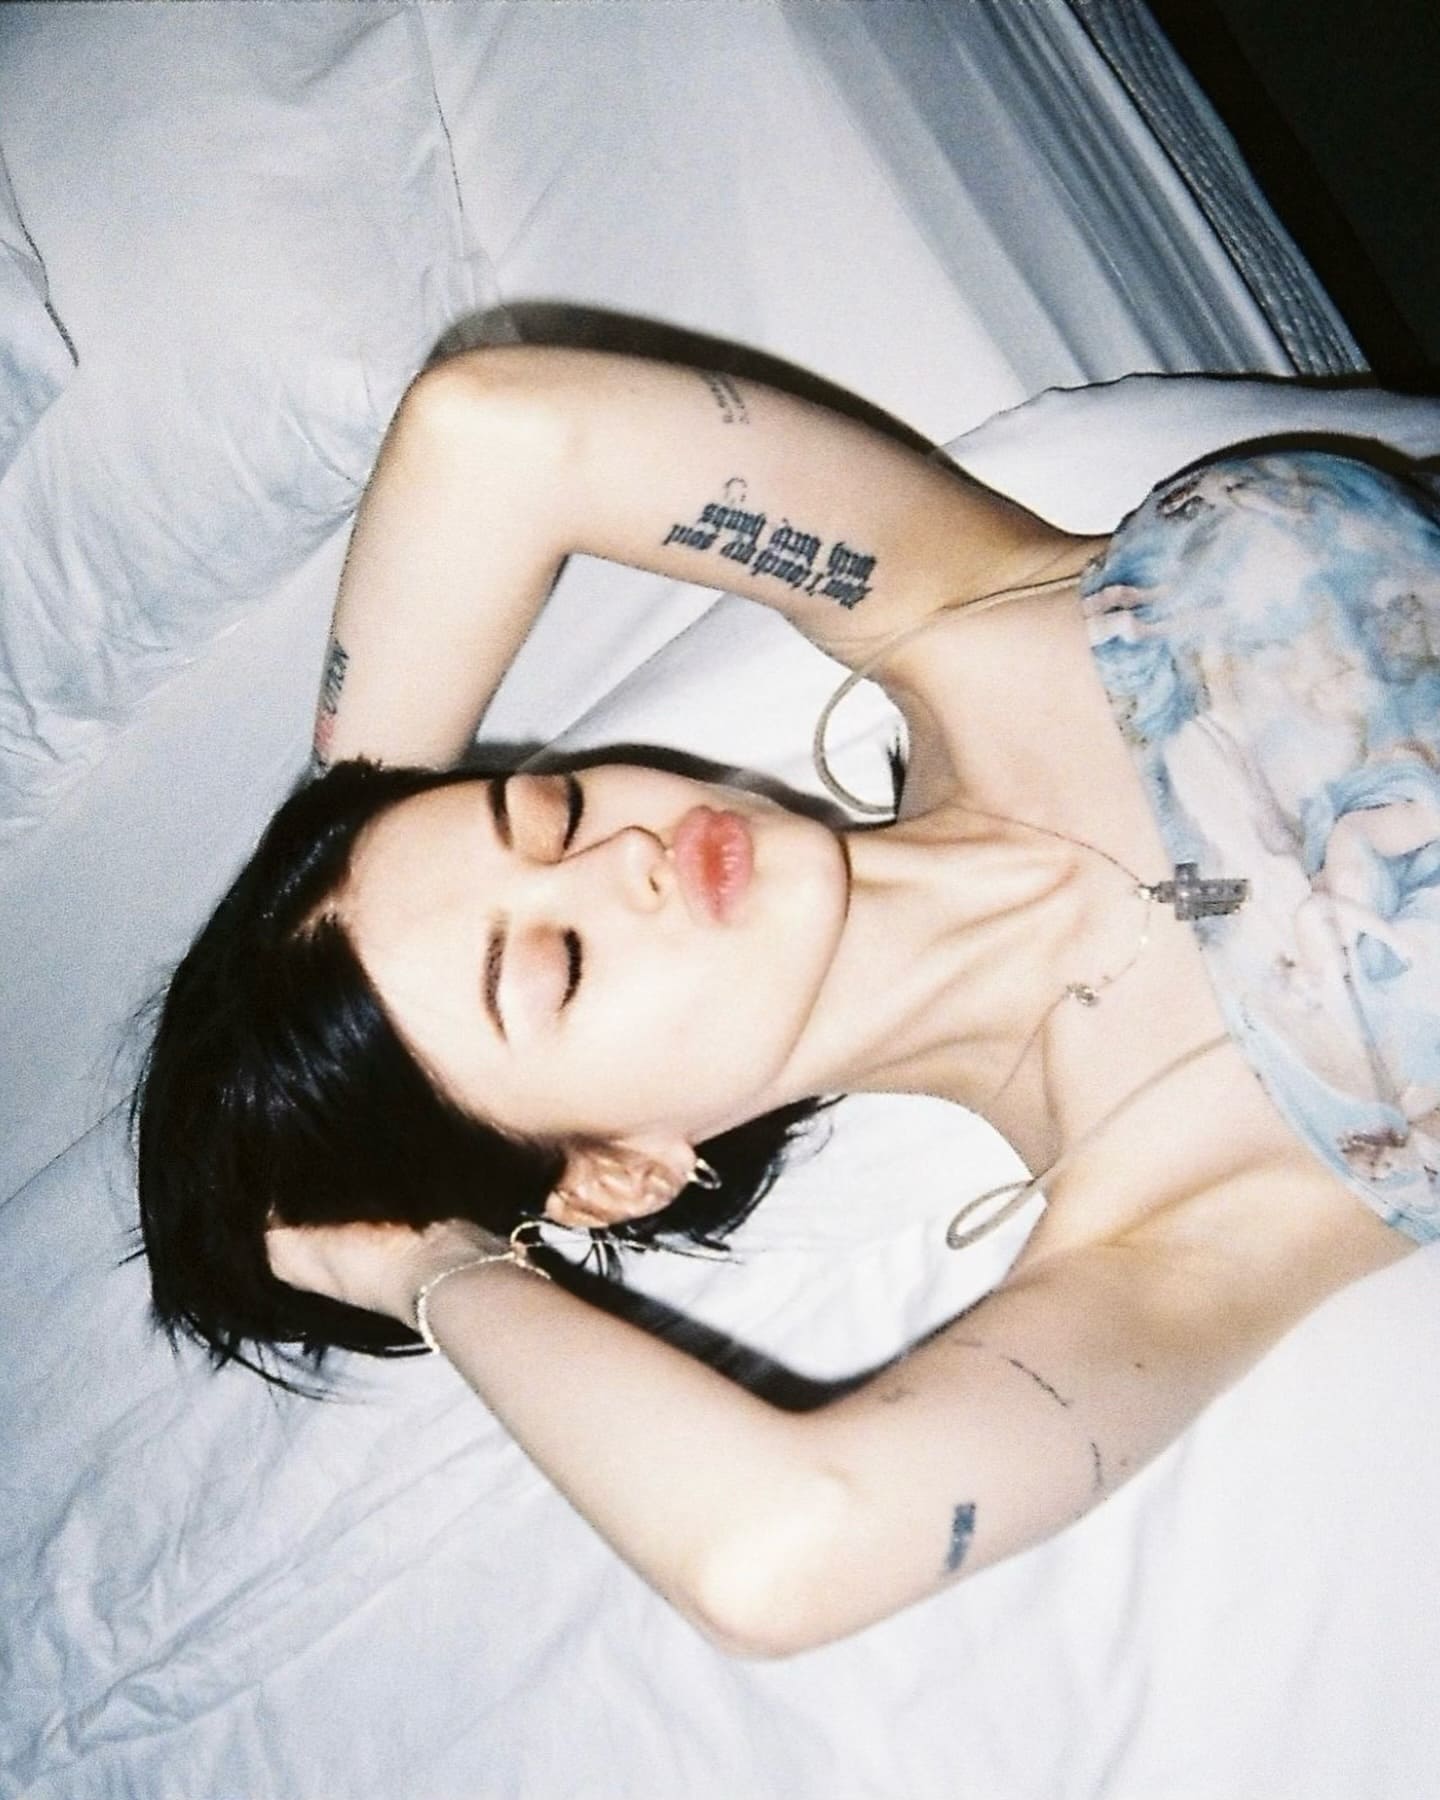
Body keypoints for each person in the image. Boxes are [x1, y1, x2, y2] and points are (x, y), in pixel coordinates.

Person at [135, 345, 1439, 1656]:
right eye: (561, 965)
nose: (622, 858)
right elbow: (774, 1555)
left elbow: (491, 431)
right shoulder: (1170, 1221)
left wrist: (347, 831)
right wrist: (424, 1260)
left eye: (554, 811)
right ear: (616, 1173)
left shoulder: (953, 605)